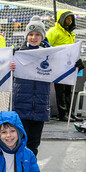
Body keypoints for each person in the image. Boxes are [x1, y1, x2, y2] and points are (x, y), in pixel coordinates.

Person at [11, 16, 51, 157]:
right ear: (26, 36)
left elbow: (65, 66)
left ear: (42, 37)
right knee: (18, 142)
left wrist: (75, 64)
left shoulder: (50, 55)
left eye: (38, 34)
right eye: (31, 34)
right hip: (21, 105)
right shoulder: (15, 53)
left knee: (34, 144)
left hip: (39, 106)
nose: (34, 37)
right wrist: (9, 68)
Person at [46, 10, 78, 122]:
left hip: (68, 65)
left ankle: (69, 113)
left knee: (68, 90)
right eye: (67, 18)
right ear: (62, 19)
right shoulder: (53, 31)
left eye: (71, 19)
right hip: (58, 65)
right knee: (60, 90)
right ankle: (62, 113)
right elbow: (47, 45)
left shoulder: (70, 33)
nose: (70, 21)